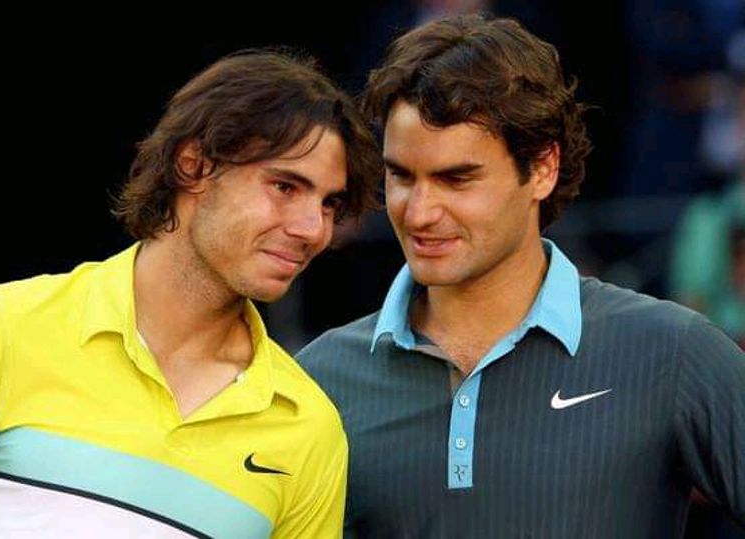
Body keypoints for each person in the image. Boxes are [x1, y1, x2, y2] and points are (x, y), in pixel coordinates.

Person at [298, 14, 745, 538]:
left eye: (456, 178)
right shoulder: (319, 380)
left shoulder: (673, 353)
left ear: (541, 169)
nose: (418, 212)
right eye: (401, 176)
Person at [0, 49, 381, 538]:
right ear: (193, 166)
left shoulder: (309, 428)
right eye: (284, 186)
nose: (312, 229)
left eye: (329, 204)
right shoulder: (1, 328)